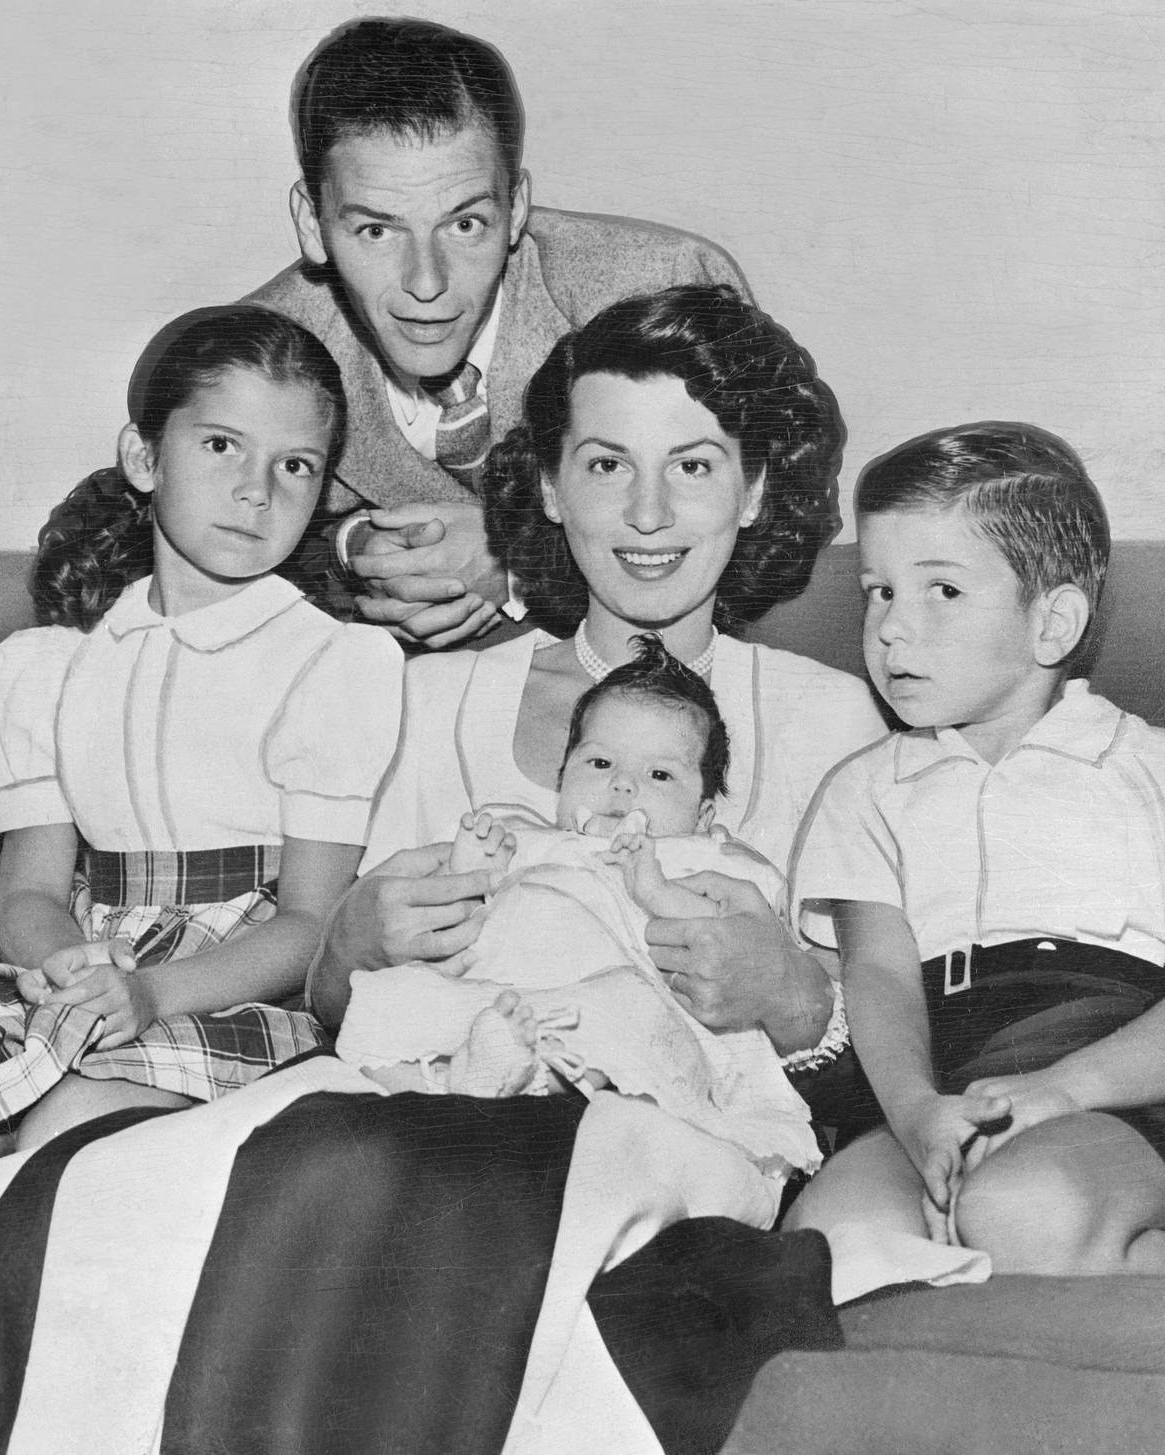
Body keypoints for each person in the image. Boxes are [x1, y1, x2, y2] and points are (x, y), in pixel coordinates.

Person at [309, 285, 888, 1078]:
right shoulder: (432, 701)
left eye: (692, 465)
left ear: (752, 491)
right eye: (608, 464)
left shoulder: (826, 717)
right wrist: (346, 946)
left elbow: (899, 1039)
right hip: (430, 1122)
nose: (647, 513)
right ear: (551, 485)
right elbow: (343, 1008)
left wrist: (792, 996)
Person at [0, 306, 403, 1162]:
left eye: (296, 465)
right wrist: (71, 971)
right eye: (220, 445)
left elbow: (312, 922)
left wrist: (151, 993)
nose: (256, 489)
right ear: (143, 456)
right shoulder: (48, 669)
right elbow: (27, 894)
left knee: (66, 1129)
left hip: (235, 991)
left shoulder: (330, 663)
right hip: (80, 968)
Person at [785, 421, 1165, 1276]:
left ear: (1054, 621)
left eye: (942, 592)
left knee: (1020, 1212)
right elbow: (878, 974)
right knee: (828, 1238)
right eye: (878, 592)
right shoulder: (867, 788)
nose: (891, 629)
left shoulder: (1148, 767)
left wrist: (1068, 1089)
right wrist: (919, 1113)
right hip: (946, 1074)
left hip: (1124, 1075)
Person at [245, 16, 754, 644]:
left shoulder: (661, 289)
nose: (426, 283)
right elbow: (210, 540)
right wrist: (358, 552)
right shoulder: (268, 353)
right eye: (376, 230)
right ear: (311, 222)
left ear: (515, 209)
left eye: (465, 225)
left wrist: (519, 557)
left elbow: (772, 523)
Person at [334, 635, 820, 1180]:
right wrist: (471, 863)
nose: (622, 785)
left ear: (704, 813)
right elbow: (454, 913)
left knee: (615, 1027)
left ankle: (521, 1081)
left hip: (616, 992)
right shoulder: (525, 836)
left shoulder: (702, 859)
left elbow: (730, 939)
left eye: (659, 775)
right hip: (499, 994)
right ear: (563, 779)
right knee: (402, 1008)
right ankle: (451, 1081)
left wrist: (654, 886)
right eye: (600, 761)